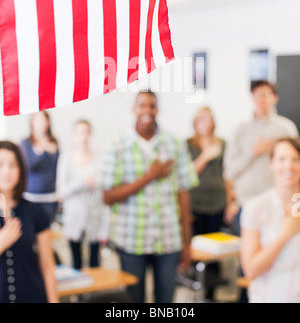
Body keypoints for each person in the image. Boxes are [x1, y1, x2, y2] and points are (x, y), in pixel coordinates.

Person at [102, 90, 198, 304]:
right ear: (134, 109)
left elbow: (183, 193)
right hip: (131, 239)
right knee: (133, 300)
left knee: (166, 299)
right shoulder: (117, 145)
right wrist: (149, 176)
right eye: (142, 105)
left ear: (157, 109)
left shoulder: (174, 143)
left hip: (169, 239)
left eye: (152, 106)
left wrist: (186, 241)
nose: (147, 110)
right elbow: (107, 196)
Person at [224, 80, 298, 235]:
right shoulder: (241, 129)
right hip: (245, 204)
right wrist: (253, 152)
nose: (260, 99)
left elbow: (296, 166)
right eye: (256, 94)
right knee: (248, 255)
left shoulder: (286, 129)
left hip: (279, 205)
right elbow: (229, 171)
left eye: (265, 94)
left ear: (275, 98)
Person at [240, 137, 300, 303]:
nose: (289, 165)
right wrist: (285, 234)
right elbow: (251, 270)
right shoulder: (256, 207)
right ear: (271, 163)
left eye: (296, 159)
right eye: (282, 159)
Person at [0, 141, 59, 303]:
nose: (6, 171)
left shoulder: (35, 211)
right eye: (0, 165)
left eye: (13, 165)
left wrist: (53, 300)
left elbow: (47, 264)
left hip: (32, 295)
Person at [56, 120, 109, 269]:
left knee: (95, 263)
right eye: (79, 132)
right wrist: (82, 182)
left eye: (86, 132)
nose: (83, 136)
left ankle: (95, 293)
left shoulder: (99, 159)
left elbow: (104, 194)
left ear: (90, 134)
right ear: (74, 135)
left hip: (95, 219)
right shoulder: (66, 158)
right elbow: (61, 191)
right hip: (74, 219)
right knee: (76, 262)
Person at [187, 106, 227, 236]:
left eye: (209, 120)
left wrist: (230, 202)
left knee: (214, 239)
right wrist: (205, 156)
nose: (206, 123)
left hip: (217, 201)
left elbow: (226, 174)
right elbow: (187, 173)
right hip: (195, 202)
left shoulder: (222, 144)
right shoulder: (188, 144)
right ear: (195, 122)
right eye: (202, 119)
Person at [20, 111, 59, 223]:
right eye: (37, 119)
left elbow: (57, 168)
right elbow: (29, 166)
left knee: (46, 228)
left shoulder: (54, 142)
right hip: (30, 196)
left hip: (50, 197)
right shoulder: (26, 143)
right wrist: (44, 149)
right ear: (32, 122)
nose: (41, 123)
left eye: (43, 119)